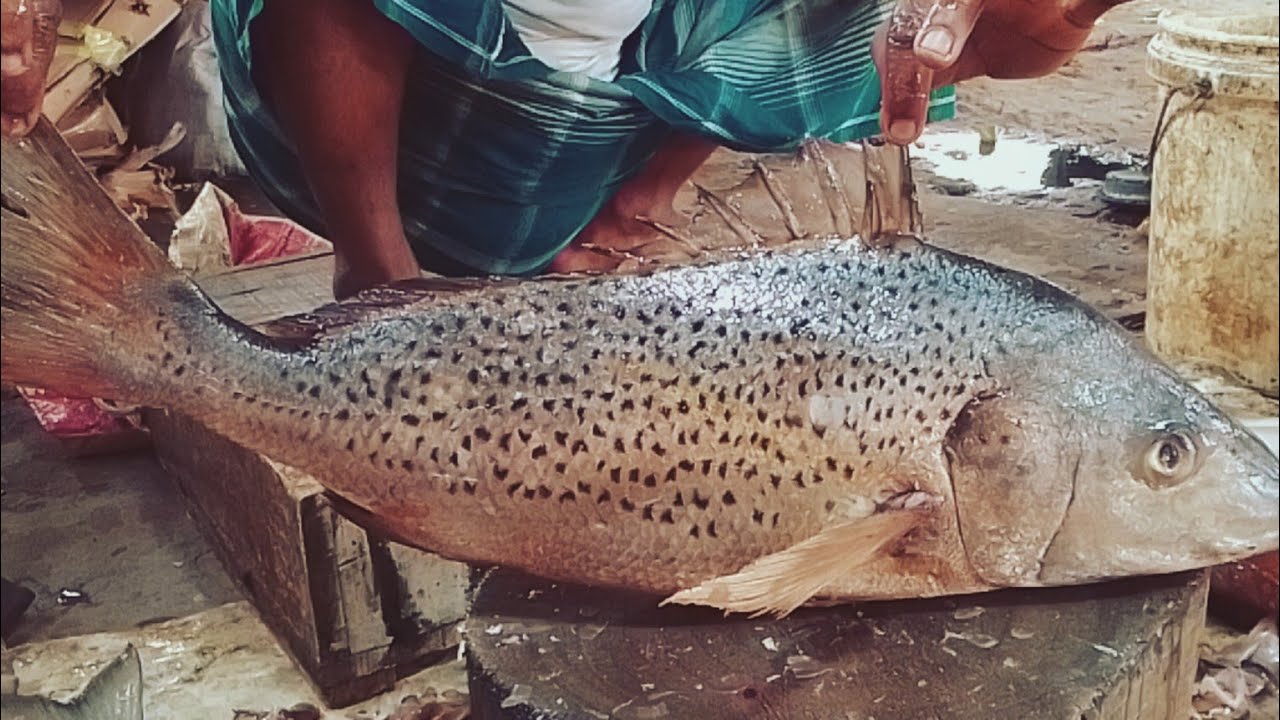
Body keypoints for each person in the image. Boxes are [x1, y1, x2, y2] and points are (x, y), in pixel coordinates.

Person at [2, 0, 1125, 298]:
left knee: (1011, 24)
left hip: (569, 157)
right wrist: (378, 273)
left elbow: (741, 31)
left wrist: (643, 192)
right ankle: (375, 266)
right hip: (329, 139)